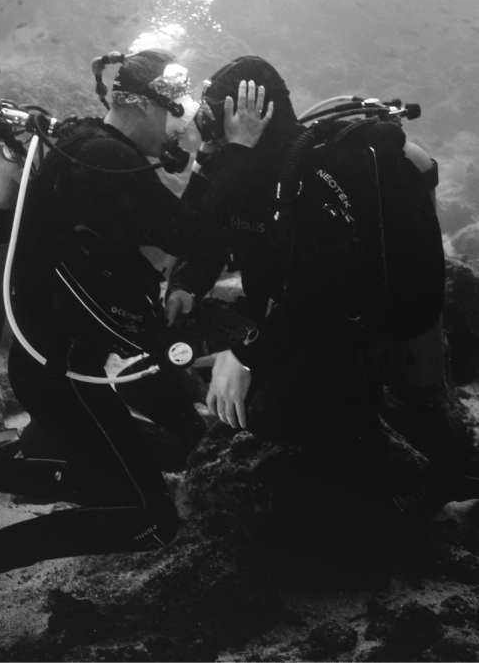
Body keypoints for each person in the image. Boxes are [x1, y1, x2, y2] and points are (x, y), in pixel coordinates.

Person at [0, 48, 273, 662]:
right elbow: (193, 231)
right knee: (148, 518)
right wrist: (238, 152)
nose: (178, 123)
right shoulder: (105, 159)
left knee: (107, 476)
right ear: (130, 101)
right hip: (63, 373)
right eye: (172, 110)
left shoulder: (86, 148)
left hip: (62, 361)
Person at [166, 55, 479, 523]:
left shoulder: (313, 172)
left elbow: (330, 287)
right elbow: (211, 229)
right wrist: (187, 283)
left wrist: (248, 353)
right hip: (299, 316)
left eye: (217, 114)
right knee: (234, 371)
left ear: (256, 111)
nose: (205, 131)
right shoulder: (243, 162)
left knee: (273, 408)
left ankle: (410, 488)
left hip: (359, 321)